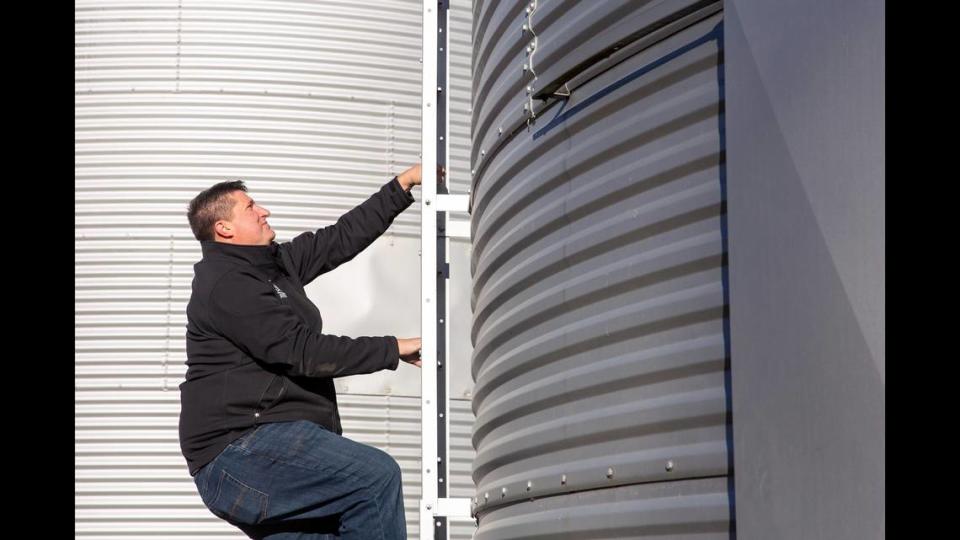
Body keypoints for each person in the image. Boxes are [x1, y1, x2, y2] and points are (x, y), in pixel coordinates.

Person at [179, 164, 431, 539]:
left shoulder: (273, 265)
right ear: (224, 229)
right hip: (239, 449)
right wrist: (392, 348)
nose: (264, 211)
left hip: (253, 450)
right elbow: (302, 353)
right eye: (250, 207)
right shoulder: (227, 283)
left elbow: (338, 240)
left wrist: (401, 185)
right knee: (374, 477)